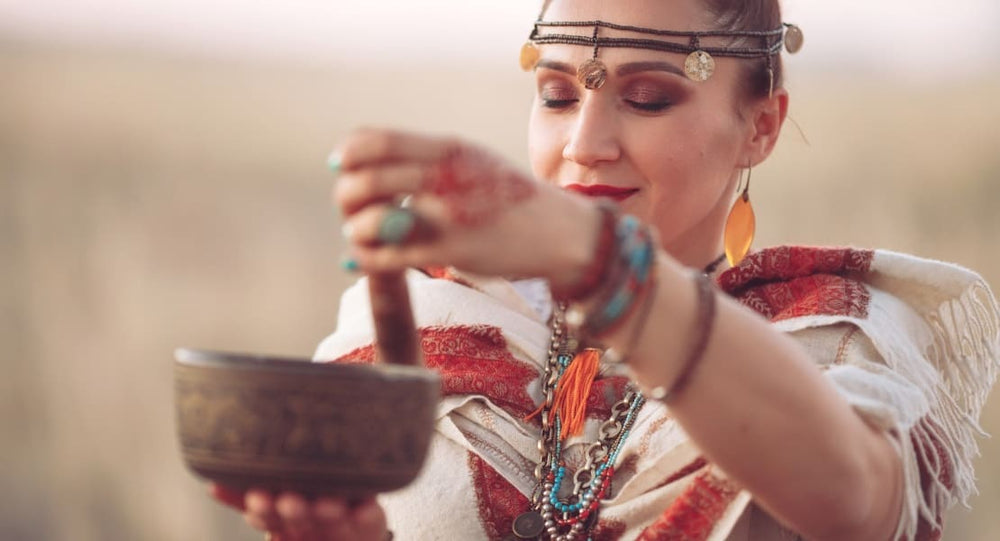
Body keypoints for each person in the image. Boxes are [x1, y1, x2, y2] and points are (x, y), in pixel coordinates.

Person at [210, 0, 1000, 539]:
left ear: (760, 126)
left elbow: (855, 497)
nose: (585, 142)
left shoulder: (827, 330)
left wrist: (599, 265)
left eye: (649, 97)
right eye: (556, 94)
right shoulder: (434, 317)